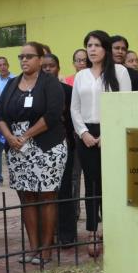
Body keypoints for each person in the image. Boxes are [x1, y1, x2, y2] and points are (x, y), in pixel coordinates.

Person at [0, 43, 68, 265]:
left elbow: (54, 114)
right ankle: (33, 249)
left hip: (47, 146)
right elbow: (0, 115)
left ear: (40, 58)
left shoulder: (50, 83)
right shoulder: (11, 83)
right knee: (26, 197)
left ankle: (46, 250)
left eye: (29, 56)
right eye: (21, 57)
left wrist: (26, 135)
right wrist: (9, 138)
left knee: (46, 196)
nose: (24, 60)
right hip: (17, 148)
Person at [70, 30, 131, 256]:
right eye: (89, 45)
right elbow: (74, 108)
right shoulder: (81, 76)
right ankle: (92, 230)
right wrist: (84, 133)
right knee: (92, 184)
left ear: (105, 48)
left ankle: (111, 227)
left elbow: (125, 105)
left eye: (96, 45)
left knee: (111, 183)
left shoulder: (120, 72)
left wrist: (110, 133)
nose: (92, 49)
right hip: (86, 134)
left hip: (111, 133)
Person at [41, 53, 78, 244]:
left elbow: (74, 119)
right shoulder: (36, 91)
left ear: (58, 67)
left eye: (51, 66)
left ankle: (67, 235)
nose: (47, 69)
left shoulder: (68, 91)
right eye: (44, 66)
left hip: (64, 146)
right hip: (40, 148)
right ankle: (46, 235)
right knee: (43, 193)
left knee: (64, 191)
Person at [0, 56, 15, 187]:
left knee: (13, 147)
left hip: (12, 118)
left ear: (8, 65)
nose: (2, 67)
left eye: (4, 64)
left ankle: (14, 176)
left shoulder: (16, 80)